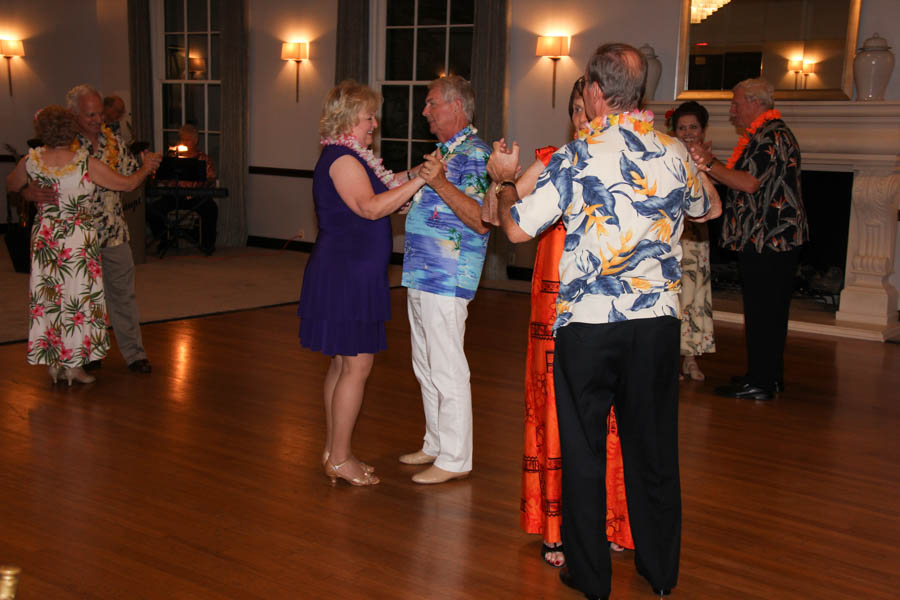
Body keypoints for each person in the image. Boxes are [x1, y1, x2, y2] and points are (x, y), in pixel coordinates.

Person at [489, 43, 720, 600]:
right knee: (654, 450)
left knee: (585, 451)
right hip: (656, 327)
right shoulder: (672, 151)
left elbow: (517, 230)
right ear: (636, 95)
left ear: (594, 90)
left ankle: (590, 578)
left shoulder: (574, 156)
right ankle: (661, 572)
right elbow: (708, 209)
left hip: (589, 329)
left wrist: (502, 178)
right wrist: (697, 170)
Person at [486, 78, 633, 570]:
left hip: (607, 308)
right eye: (573, 111)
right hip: (553, 310)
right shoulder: (553, 161)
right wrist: (500, 178)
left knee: (612, 419)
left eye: (585, 110)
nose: (581, 120)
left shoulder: (622, 158)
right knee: (554, 412)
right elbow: (498, 217)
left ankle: (612, 521)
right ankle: (556, 526)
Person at [298, 80, 429, 487]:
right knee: (356, 364)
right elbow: (371, 207)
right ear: (348, 117)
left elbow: (385, 185)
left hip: (351, 271)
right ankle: (339, 457)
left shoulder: (353, 156)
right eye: (369, 115)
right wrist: (422, 181)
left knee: (343, 363)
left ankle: (334, 450)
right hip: (346, 274)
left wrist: (416, 174)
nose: (375, 123)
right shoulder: (342, 159)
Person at [5, 106, 159, 385]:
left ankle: (56, 363)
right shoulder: (82, 162)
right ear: (71, 129)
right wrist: (146, 168)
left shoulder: (32, 160)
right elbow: (126, 185)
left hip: (48, 239)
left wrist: (28, 191)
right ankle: (73, 365)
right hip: (76, 239)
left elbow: (11, 185)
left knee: (51, 300)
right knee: (78, 300)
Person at [687, 78, 808, 401]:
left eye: (736, 104)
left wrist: (707, 163)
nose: (732, 111)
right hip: (769, 240)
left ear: (756, 104)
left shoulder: (771, 136)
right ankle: (768, 375)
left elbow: (748, 183)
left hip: (769, 240)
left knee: (763, 311)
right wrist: (712, 166)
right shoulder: (767, 134)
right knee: (768, 311)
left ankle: (761, 381)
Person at [397, 75, 491, 485]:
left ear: (456, 107)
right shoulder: (444, 152)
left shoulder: (476, 154)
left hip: (448, 276)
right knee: (425, 364)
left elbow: (481, 220)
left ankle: (456, 457)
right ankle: (436, 442)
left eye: (432, 103)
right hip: (421, 273)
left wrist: (437, 183)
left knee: (447, 364)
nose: (425, 112)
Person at [669, 101, 716, 381]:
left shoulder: (709, 160)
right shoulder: (667, 157)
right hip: (673, 238)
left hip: (696, 236)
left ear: (702, 130)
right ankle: (670, 360)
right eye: (682, 127)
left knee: (694, 297)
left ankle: (691, 358)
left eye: (693, 127)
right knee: (674, 299)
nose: (687, 133)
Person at [148, 123, 219, 255]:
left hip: (196, 197)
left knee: (211, 208)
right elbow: (158, 176)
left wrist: (204, 183)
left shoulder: (203, 158)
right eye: (183, 139)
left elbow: (211, 178)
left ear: (195, 141)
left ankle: (207, 244)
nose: (185, 142)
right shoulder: (172, 157)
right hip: (174, 196)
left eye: (188, 140)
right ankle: (164, 240)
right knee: (153, 210)